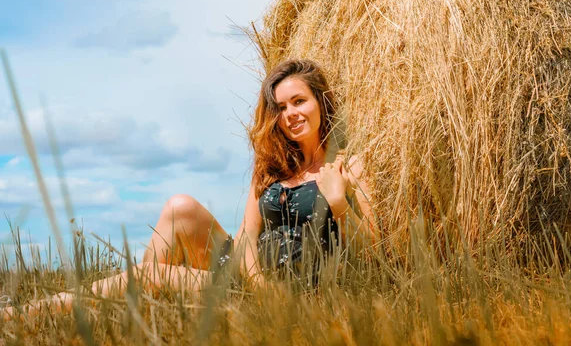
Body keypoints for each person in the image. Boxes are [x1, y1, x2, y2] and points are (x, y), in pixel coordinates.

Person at [3, 59, 379, 318]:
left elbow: (374, 256)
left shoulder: (348, 166)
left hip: (299, 287)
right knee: (179, 206)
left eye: (299, 101)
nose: (290, 114)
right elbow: (248, 235)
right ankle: (143, 305)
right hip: (251, 277)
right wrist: (260, 286)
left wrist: (337, 203)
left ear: (320, 101)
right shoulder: (271, 166)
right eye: (280, 107)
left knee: (152, 275)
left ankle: (32, 311)